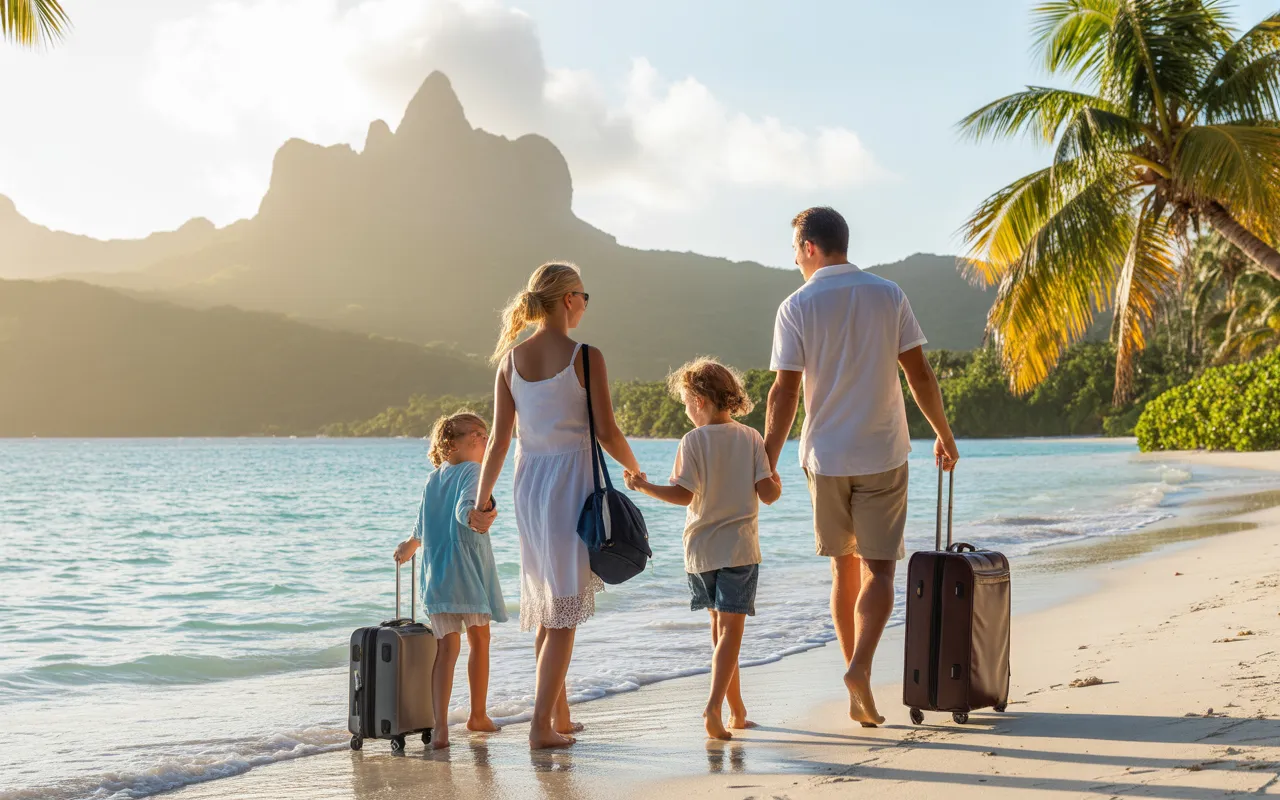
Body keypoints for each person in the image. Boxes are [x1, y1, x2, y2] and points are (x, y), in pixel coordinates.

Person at [764, 207, 959, 728]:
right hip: (882, 453)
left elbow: (783, 391)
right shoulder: (888, 294)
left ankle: (858, 679)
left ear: (808, 247)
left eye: (793, 249)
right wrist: (943, 433)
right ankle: (860, 669)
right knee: (880, 570)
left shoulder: (796, 305)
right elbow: (919, 373)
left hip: (825, 457)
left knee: (841, 567)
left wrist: (767, 461)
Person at [472, 262, 646, 750]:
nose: (586, 304)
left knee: (551, 602)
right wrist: (635, 471)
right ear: (568, 299)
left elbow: (499, 443)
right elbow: (608, 431)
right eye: (584, 295)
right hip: (572, 484)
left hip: (530, 485)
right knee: (563, 614)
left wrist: (482, 500)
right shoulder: (585, 357)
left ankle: (560, 716)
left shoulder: (510, 360)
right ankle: (539, 727)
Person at [624, 358, 780, 741]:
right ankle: (715, 708)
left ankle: (737, 711)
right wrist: (774, 478)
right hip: (739, 549)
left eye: (686, 404)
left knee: (718, 632)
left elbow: (683, 495)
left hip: (700, 551)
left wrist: (643, 487)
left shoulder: (692, 441)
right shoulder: (750, 437)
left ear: (699, 400)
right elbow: (769, 494)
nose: (687, 411)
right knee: (729, 633)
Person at [392, 412, 508, 750]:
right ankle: (478, 715)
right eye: (486, 438)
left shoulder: (433, 479)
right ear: (473, 438)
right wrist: (477, 515)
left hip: (436, 573)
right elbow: (466, 509)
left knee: (446, 649)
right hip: (466, 568)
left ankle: (440, 728)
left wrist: (409, 547)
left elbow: (421, 527)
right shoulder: (474, 471)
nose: (489, 445)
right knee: (479, 641)